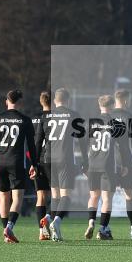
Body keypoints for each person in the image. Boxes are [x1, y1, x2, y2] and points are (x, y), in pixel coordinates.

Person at [0, 89, 38, 243]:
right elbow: (31, 146)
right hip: (16, 161)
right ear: (20, 102)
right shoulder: (25, 120)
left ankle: (5, 233)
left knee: (3, 197)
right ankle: (9, 227)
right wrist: (34, 164)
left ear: (6, 101)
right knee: (17, 198)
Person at [85, 94, 132, 240]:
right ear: (112, 106)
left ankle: (91, 221)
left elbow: (83, 144)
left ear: (99, 106)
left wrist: (84, 164)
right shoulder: (117, 124)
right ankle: (103, 229)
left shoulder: (91, 123)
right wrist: (126, 165)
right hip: (107, 165)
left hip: (92, 164)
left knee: (93, 196)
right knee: (106, 199)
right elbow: (124, 147)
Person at [45, 87, 84, 241]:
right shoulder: (74, 115)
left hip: (49, 158)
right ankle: (55, 220)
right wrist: (85, 160)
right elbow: (82, 140)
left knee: (55, 195)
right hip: (65, 159)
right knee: (66, 195)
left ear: (55, 100)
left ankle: (52, 224)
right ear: (68, 100)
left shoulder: (48, 115)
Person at [111, 89, 132, 237]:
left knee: (107, 197)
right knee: (129, 196)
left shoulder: (108, 116)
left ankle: (104, 227)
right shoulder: (130, 117)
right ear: (125, 100)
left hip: (110, 163)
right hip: (127, 163)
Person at [32, 91, 54, 240]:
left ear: (41, 102)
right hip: (51, 159)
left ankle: (41, 232)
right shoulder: (57, 118)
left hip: (38, 160)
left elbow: (34, 141)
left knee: (40, 196)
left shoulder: (34, 118)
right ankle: (49, 218)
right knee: (57, 195)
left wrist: (33, 163)